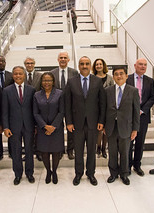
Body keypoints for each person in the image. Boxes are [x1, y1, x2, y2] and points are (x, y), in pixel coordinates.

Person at [65, 56, 106, 186]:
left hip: (93, 123)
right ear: (79, 65)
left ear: (90, 65)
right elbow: (67, 104)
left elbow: (102, 103)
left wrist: (101, 120)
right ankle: (78, 174)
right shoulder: (71, 82)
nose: (84, 66)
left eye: (87, 64)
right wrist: (69, 122)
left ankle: (91, 173)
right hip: (76, 123)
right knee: (78, 150)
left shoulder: (97, 81)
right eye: (82, 64)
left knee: (91, 151)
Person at [105, 67, 140, 185]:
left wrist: (135, 128)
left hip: (126, 127)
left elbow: (136, 111)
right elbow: (104, 110)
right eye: (116, 74)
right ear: (113, 77)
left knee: (125, 152)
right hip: (111, 126)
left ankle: (124, 174)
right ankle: (113, 173)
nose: (119, 76)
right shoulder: (108, 91)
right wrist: (104, 125)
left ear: (126, 76)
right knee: (112, 152)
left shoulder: (133, 91)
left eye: (121, 74)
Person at [2, 66, 36, 185]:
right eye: (15, 74)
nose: (18, 76)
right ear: (13, 75)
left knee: (29, 150)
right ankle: (17, 174)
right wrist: (5, 127)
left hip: (29, 125)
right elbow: (4, 111)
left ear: (24, 75)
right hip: (13, 126)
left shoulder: (31, 90)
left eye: (20, 73)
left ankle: (29, 173)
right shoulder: (6, 91)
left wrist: (35, 126)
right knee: (15, 151)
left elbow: (34, 110)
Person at [33, 72, 64, 184]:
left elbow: (61, 112)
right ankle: (48, 171)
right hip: (43, 129)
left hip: (57, 128)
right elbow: (35, 113)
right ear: (41, 82)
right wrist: (45, 126)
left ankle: (54, 171)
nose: (47, 83)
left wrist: (53, 126)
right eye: (45, 80)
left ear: (53, 82)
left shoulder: (60, 93)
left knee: (56, 152)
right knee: (44, 152)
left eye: (49, 80)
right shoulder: (36, 95)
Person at [126, 58, 154, 176]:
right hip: (128, 116)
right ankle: (127, 166)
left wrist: (142, 110)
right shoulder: (127, 78)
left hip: (143, 116)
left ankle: (137, 165)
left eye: (145, 65)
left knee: (140, 142)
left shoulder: (150, 81)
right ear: (135, 65)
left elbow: (153, 97)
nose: (143, 66)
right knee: (128, 142)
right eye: (140, 64)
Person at [50, 51, 78, 160]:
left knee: (71, 128)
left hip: (71, 104)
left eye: (65, 57)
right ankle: (59, 149)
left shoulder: (74, 72)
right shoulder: (52, 73)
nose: (63, 59)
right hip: (56, 105)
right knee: (58, 127)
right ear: (58, 59)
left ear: (68, 60)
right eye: (61, 57)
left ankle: (70, 150)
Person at [92, 58, 114, 158]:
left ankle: (104, 148)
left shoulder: (109, 78)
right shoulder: (92, 78)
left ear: (103, 65)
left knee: (106, 129)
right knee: (99, 129)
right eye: (97, 64)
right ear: (95, 66)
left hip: (108, 106)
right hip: (96, 107)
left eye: (100, 64)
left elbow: (113, 91)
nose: (99, 66)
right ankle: (98, 147)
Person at [24, 56, 42, 161]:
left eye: (31, 63)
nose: (29, 65)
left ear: (34, 64)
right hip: (25, 109)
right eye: (27, 63)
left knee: (38, 132)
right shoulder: (21, 76)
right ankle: (28, 153)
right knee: (27, 133)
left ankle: (39, 152)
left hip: (38, 109)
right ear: (25, 65)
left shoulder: (40, 76)